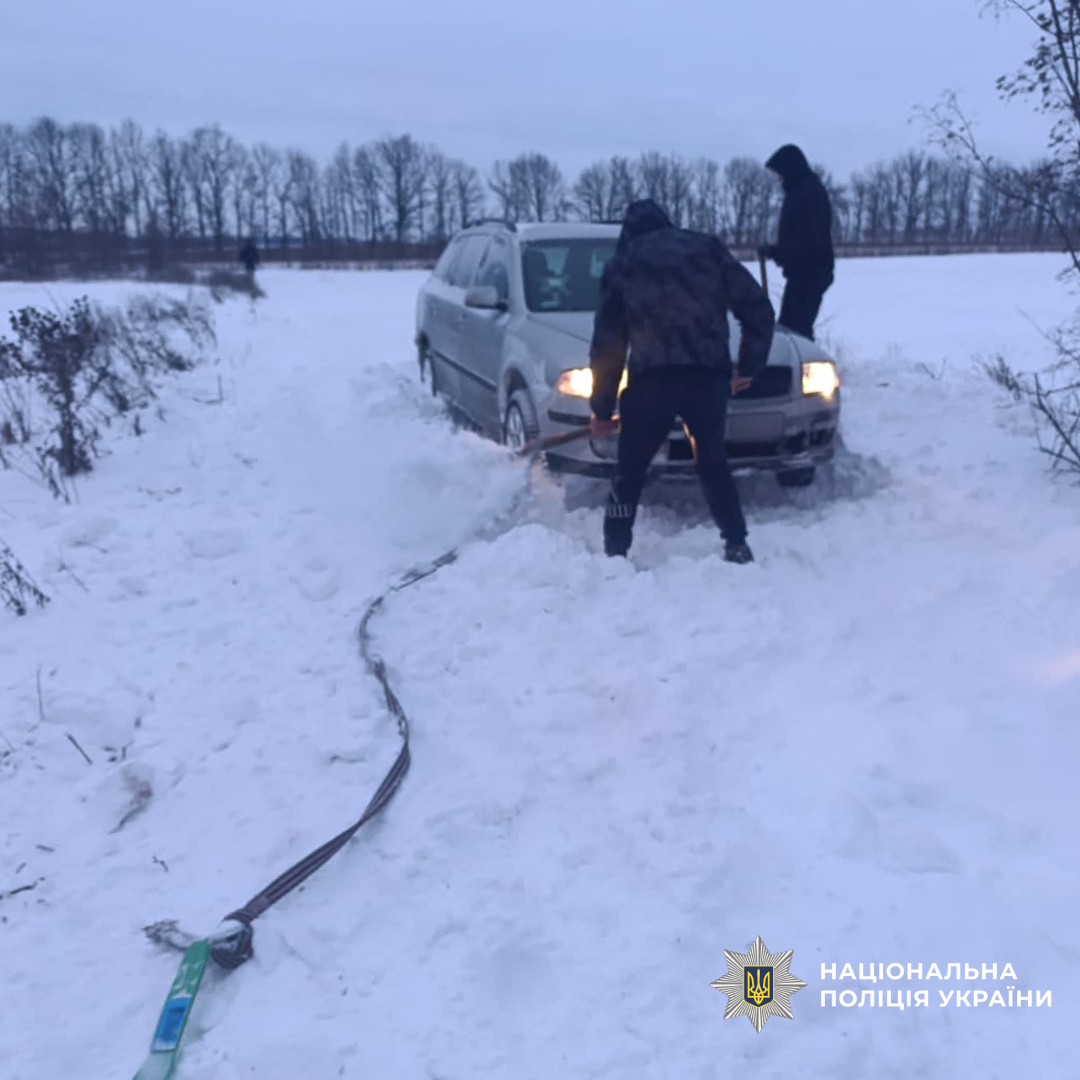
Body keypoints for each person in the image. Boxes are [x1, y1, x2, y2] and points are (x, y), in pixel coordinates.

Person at [589, 199, 775, 565]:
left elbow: (609, 342)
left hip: (651, 382)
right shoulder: (707, 249)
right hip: (706, 379)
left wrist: (602, 409)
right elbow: (759, 310)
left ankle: (614, 553)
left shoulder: (624, 262)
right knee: (713, 462)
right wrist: (748, 369)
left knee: (629, 471)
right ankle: (736, 543)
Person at [758, 144, 834, 341]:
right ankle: (797, 369)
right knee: (788, 329)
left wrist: (775, 252)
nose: (779, 179)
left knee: (797, 332)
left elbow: (806, 243)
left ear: (790, 170)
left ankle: (806, 370)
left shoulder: (807, 195)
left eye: (781, 174)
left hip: (810, 273)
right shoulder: (801, 192)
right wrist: (775, 251)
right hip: (803, 273)